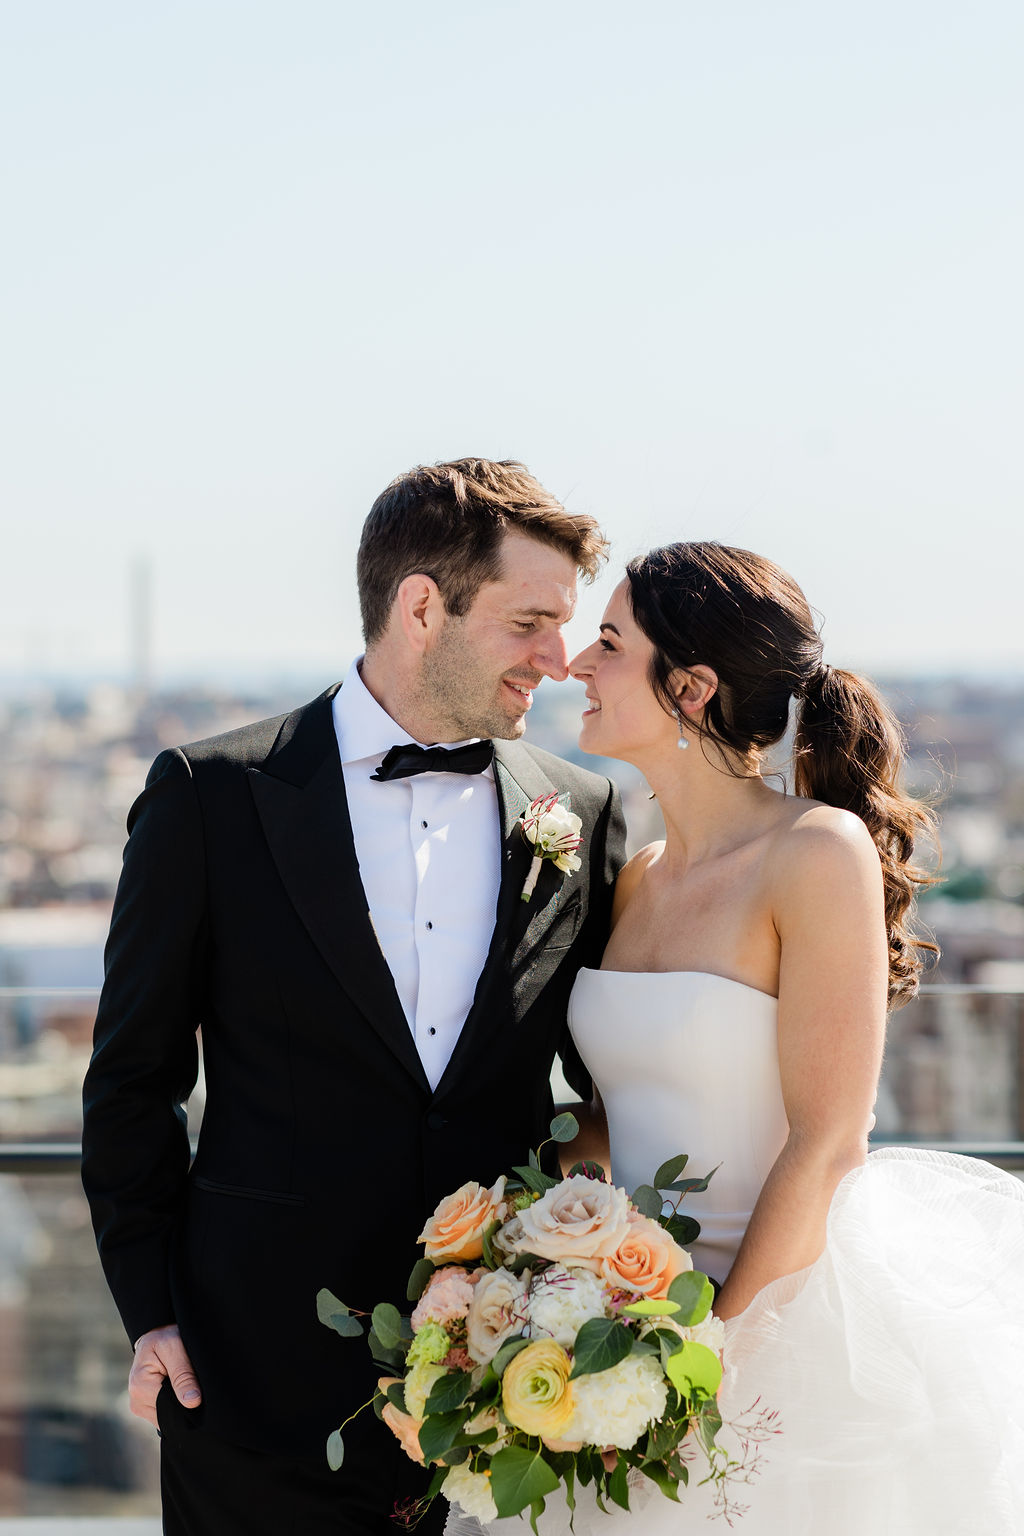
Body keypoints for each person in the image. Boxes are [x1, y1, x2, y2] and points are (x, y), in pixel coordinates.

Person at [81, 458, 627, 1536]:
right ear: (422, 605)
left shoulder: (582, 811)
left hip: (508, 1395)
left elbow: (605, 1079)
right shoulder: (211, 796)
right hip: (246, 1384)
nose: (556, 661)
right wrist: (151, 1315)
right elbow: (133, 1078)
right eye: (529, 623)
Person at [548, 542, 1023, 1532]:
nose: (573, 666)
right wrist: (546, 1275)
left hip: (771, 1337)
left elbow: (827, 1139)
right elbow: (605, 1111)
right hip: (622, 1334)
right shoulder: (635, 874)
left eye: (606, 643)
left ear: (690, 686)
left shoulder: (814, 852)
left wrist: (708, 1359)